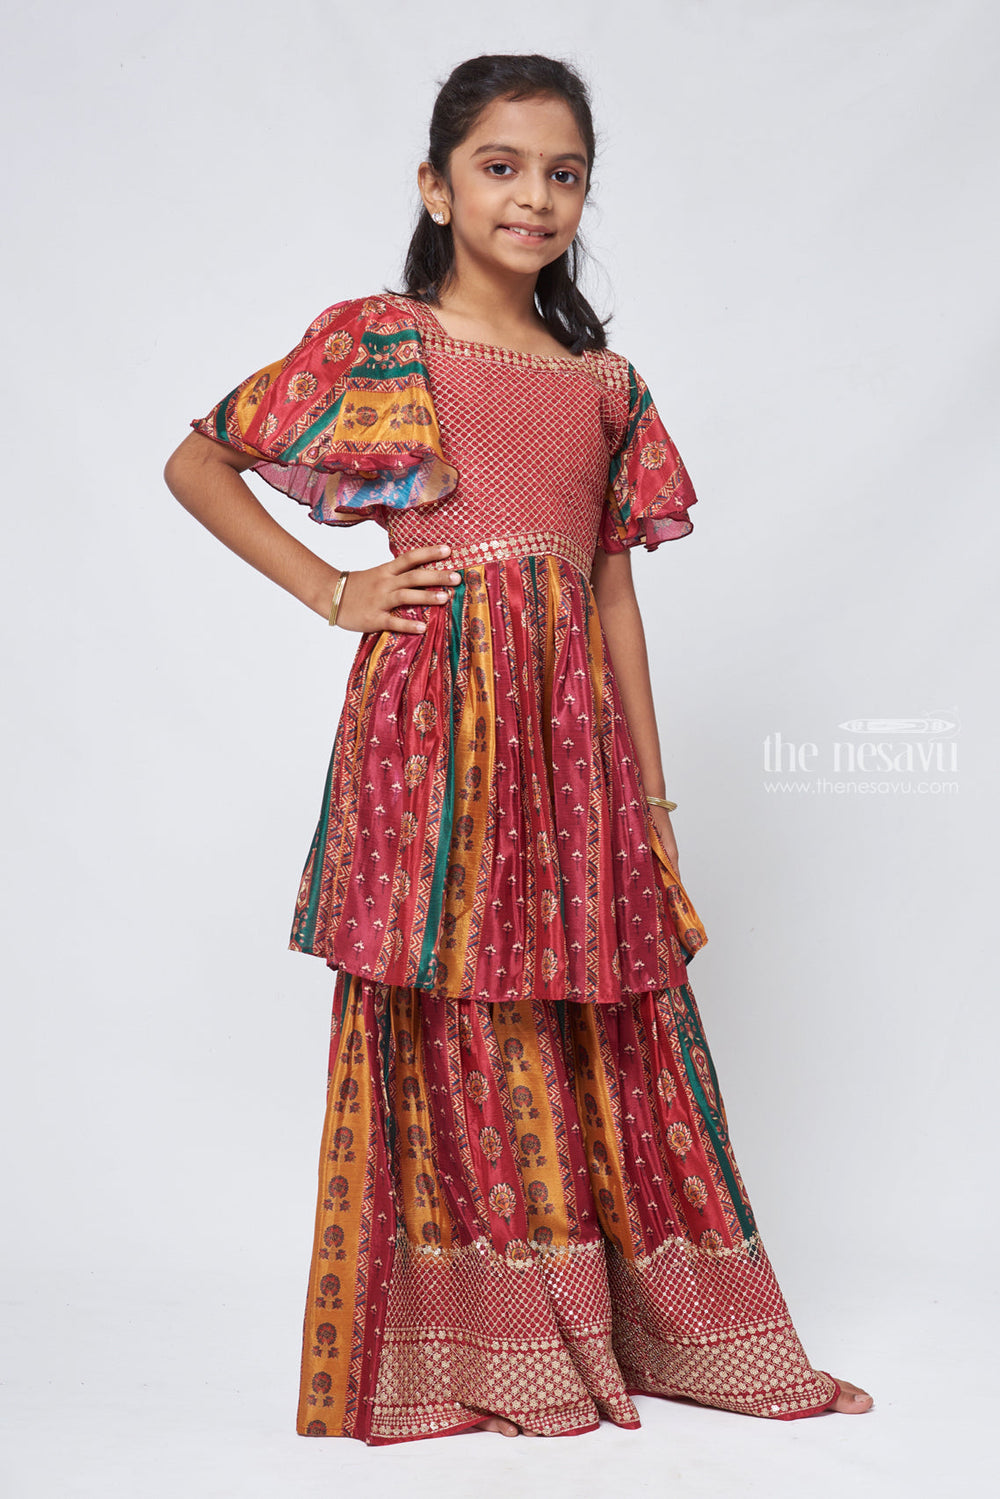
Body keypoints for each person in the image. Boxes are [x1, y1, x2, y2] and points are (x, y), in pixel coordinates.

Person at [163, 52, 873, 1444]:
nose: (534, 197)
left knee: (594, 997)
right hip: (433, 722)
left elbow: (612, 594)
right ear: (436, 187)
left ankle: (619, 1320)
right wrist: (335, 591)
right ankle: (487, 1337)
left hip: (571, 736)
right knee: (459, 998)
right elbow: (200, 461)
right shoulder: (387, 341)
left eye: (564, 174)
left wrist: (651, 796)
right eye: (500, 167)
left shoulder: (604, 383)